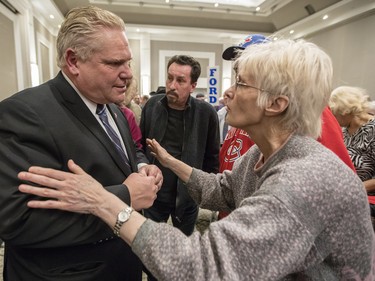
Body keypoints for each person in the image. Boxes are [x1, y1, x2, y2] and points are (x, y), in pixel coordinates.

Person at [18, 39, 374, 280]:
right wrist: (170, 161)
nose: (229, 92)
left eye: (242, 83)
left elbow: (199, 265)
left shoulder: (305, 180)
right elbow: (221, 189)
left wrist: (102, 201)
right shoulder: (262, 154)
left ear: (276, 104)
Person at [0, 6, 162, 281]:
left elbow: (125, 156)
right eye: (114, 63)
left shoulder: (111, 107)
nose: (128, 74)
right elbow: (16, 220)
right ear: (73, 61)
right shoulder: (24, 113)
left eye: (128, 62)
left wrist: (143, 166)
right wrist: (125, 196)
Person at [218, 33, 356, 220]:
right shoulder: (242, 112)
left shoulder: (314, 115)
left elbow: (342, 182)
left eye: (247, 64)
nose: (238, 67)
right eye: (237, 64)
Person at [140, 55, 220, 238]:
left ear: (193, 85)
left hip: (187, 197)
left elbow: (212, 158)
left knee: (184, 250)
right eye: (170, 78)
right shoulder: (152, 105)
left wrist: (204, 193)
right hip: (154, 193)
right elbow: (139, 146)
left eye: (180, 80)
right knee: (150, 246)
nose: (172, 85)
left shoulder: (206, 113)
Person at [329, 86, 375, 227]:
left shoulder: (372, 130)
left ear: (346, 111)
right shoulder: (343, 130)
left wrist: (353, 188)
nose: (331, 117)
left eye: (334, 113)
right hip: (344, 190)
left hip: (366, 194)